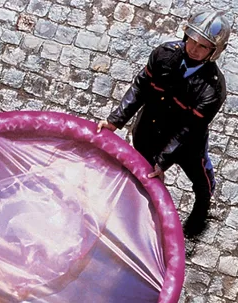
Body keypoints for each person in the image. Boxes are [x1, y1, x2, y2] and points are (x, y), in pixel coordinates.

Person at [97, 9, 230, 237]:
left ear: (214, 51)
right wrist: (115, 120)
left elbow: (189, 128)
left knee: (202, 182)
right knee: (144, 175)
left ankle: (200, 214)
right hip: (148, 130)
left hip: (187, 146)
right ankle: (141, 217)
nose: (194, 49)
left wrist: (163, 161)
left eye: (203, 46)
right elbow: (140, 87)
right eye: (192, 40)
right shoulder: (164, 54)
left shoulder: (213, 89)